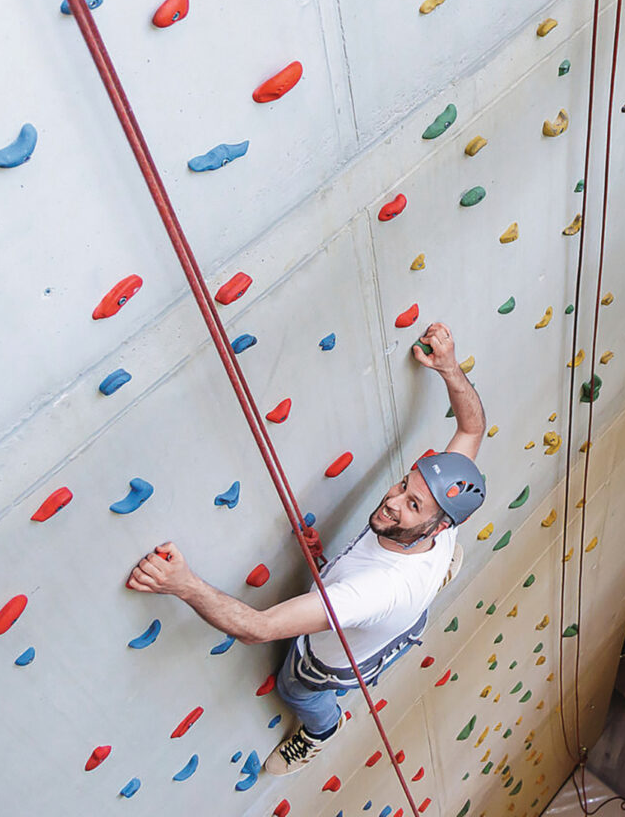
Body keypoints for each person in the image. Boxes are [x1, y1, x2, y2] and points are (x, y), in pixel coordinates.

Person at [125, 321, 487, 776]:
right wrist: (449, 367)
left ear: (440, 525)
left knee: (294, 689)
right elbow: (473, 427)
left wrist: (183, 584)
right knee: (403, 586)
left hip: (336, 659)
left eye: (412, 505)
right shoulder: (446, 506)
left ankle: (323, 728)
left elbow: (257, 628)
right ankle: (440, 573)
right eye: (402, 485)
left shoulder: (373, 592)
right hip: (401, 606)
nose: (392, 501)